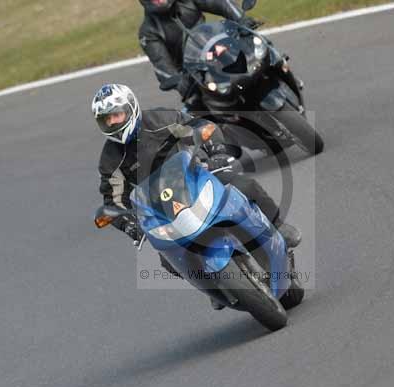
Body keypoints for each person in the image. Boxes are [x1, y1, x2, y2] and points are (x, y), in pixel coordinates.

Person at [92, 83, 300, 308]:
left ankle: (279, 226)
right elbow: (113, 200)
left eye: (116, 115)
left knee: (246, 186)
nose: (113, 122)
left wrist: (217, 152)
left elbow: (202, 127)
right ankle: (215, 284)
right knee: (168, 261)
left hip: (197, 179)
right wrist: (129, 224)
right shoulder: (110, 159)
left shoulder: (162, 119)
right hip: (162, 210)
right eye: (106, 120)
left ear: (131, 107)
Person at [138, 0, 257, 103]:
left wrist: (241, 19)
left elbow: (221, 3)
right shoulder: (149, 32)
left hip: (220, 52)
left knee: (258, 63)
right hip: (196, 78)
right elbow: (161, 64)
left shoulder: (187, 2)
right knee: (201, 115)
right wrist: (179, 82)